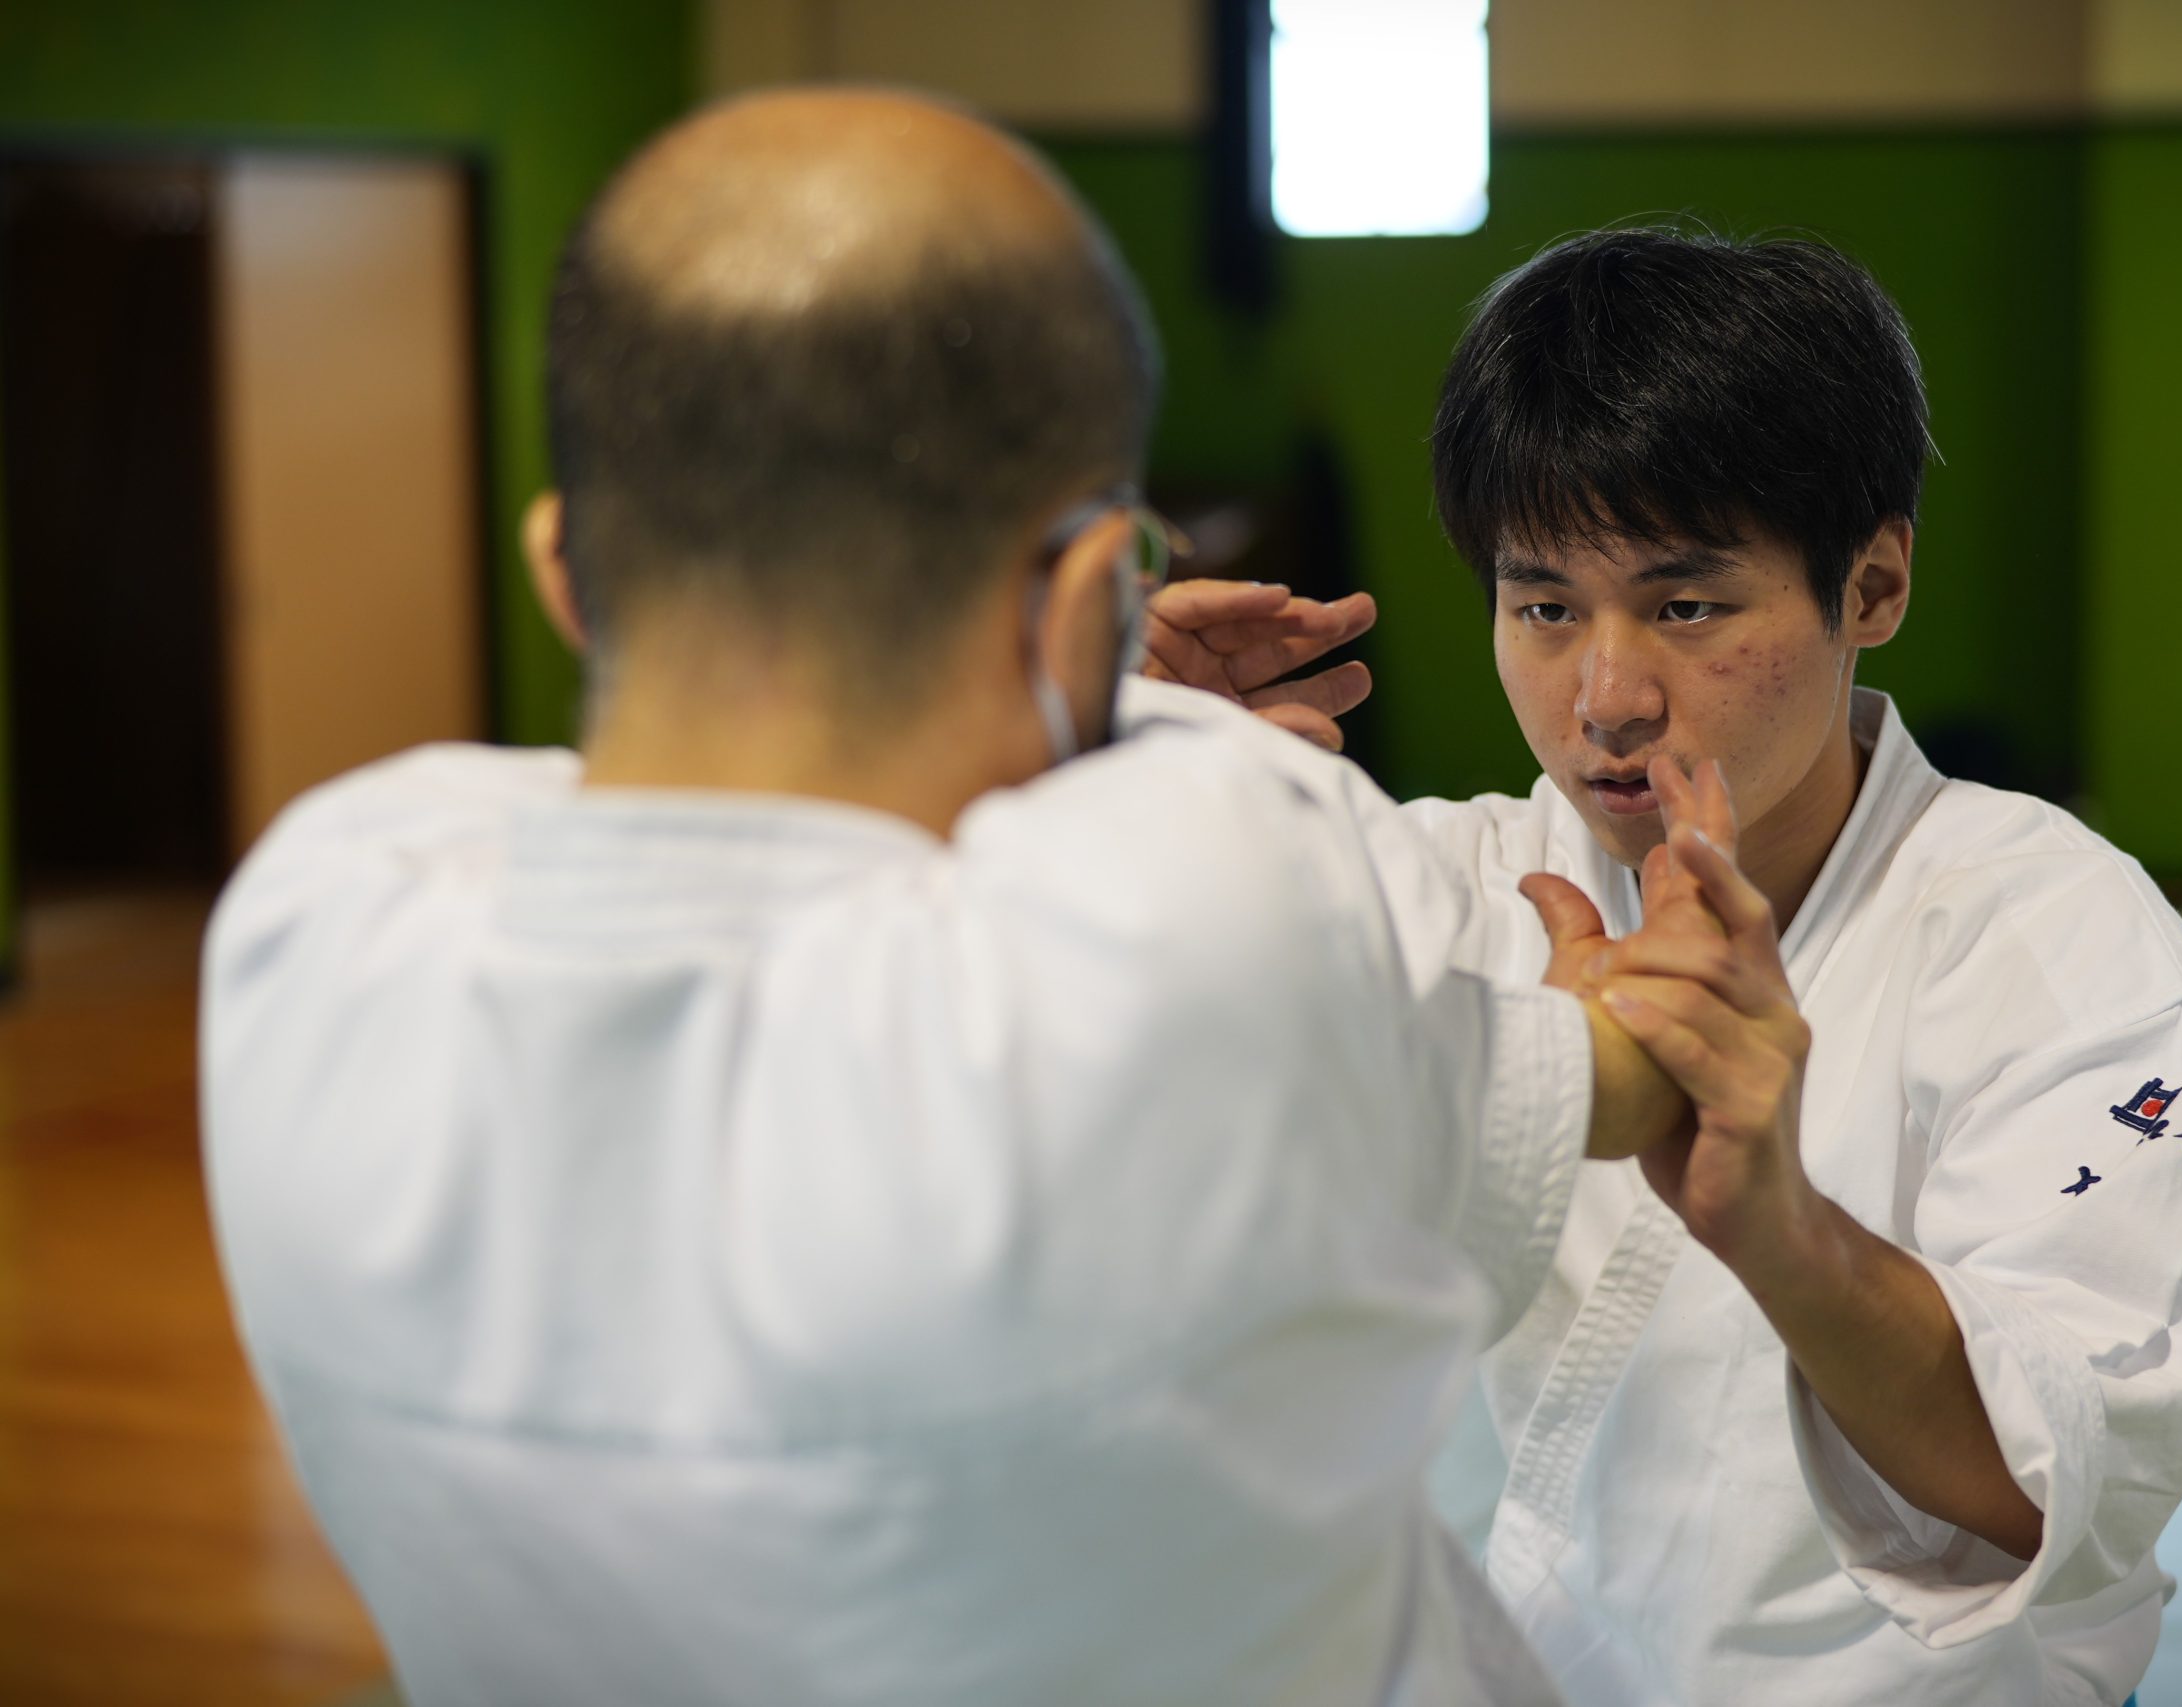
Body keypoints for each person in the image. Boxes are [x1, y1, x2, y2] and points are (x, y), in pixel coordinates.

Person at [198, 95, 1743, 1707]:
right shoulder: (1203, 912)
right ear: (1091, 597)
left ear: (566, 570)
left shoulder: (312, 928)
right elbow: (1619, 1057)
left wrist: (1083, 685)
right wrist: (1107, 698)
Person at [1147, 227, 2182, 1706]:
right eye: (1542, 607)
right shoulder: (1426, 886)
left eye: (1685, 607)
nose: (1605, 697)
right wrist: (1105, 777)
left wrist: (1779, 1223)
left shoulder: (2058, 939)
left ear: (1873, 584)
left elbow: (2061, 1493)